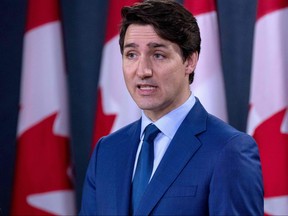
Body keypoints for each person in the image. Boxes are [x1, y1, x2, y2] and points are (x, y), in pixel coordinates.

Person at [79, 0, 263, 215]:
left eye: (158, 55)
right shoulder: (107, 151)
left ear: (189, 61)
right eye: (131, 55)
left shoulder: (228, 150)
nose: (143, 71)